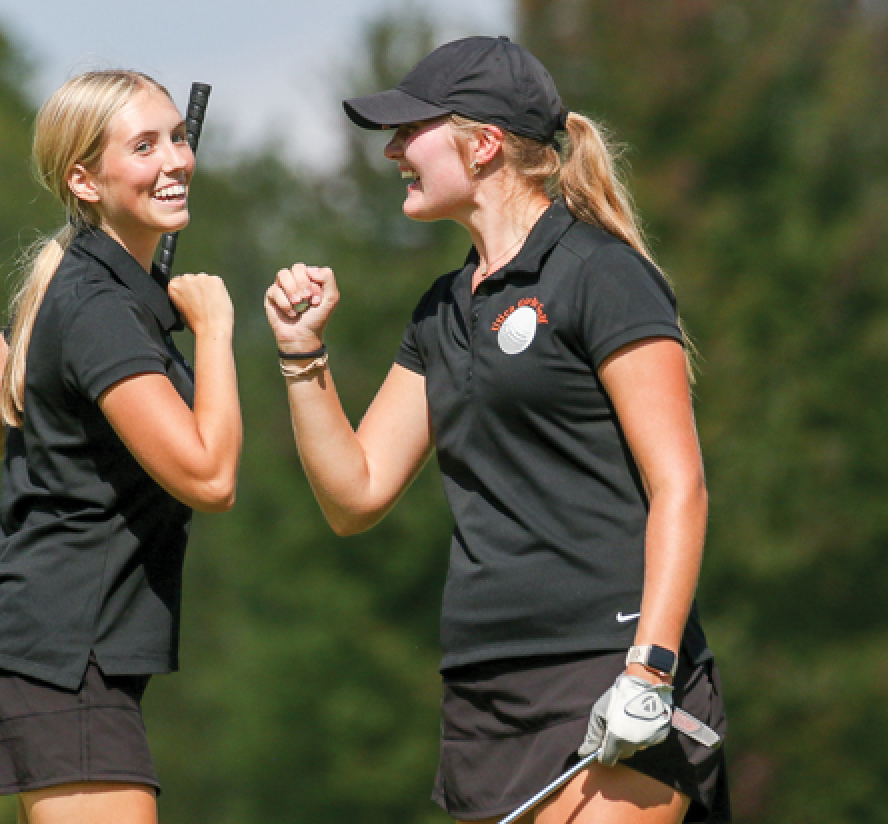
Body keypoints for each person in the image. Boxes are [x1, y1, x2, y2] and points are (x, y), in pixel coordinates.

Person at [264, 37, 728, 824]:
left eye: (412, 131)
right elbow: (356, 494)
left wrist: (650, 670)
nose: (391, 152)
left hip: (614, 668)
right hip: (483, 690)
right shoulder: (442, 309)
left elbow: (678, 484)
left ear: (482, 145)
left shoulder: (602, 274)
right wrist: (300, 355)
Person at [0, 70, 242, 824]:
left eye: (178, 137)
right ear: (85, 178)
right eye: (144, 146)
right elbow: (210, 476)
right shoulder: (101, 308)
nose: (175, 160)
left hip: (52, 651)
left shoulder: (70, 286)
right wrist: (214, 332)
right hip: (64, 661)